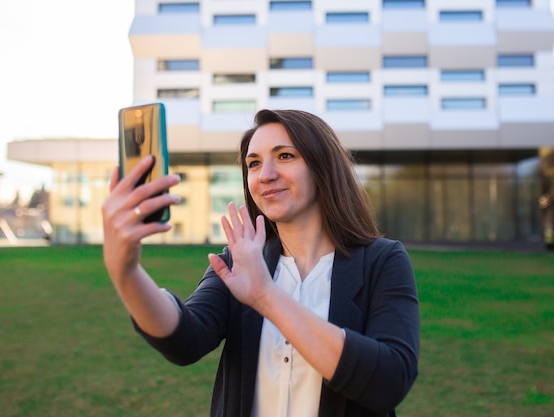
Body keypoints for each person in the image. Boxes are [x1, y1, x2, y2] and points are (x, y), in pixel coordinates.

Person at [102, 109, 420, 417]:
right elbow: (185, 338)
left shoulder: (383, 261)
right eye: (254, 163)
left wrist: (267, 297)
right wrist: (126, 273)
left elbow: (389, 381)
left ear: (323, 167)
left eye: (284, 156)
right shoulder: (241, 260)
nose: (265, 175)